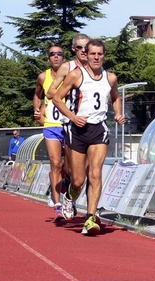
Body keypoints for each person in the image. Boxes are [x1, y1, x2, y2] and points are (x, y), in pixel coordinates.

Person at [52, 39, 126, 235]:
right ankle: (69, 195)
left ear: (104, 56)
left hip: (99, 129)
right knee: (78, 180)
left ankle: (90, 218)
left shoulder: (110, 78)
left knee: (95, 173)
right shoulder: (76, 75)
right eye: (92, 54)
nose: (96, 57)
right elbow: (57, 98)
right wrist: (73, 117)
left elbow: (116, 96)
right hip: (77, 130)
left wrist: (117, 113)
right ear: (86, 54)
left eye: (100, 54)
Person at [45, 33, 90, 215]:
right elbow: (50, 93)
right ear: (74, 49)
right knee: (61, 165)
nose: (84, 51)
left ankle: (85, 207)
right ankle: (60, 200)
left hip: (88, 124)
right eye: (80, 48)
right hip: (66, 123)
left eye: (87, 48)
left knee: (81, 171)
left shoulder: (95, 69)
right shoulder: (67, 67)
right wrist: (67, 93)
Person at [33, 45, 66, 218]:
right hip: (51, 125)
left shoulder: (71, 75)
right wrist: (37, 109)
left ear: (64, 58)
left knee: (70, 167)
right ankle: (57, 202)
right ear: (48, 58)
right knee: (55, 163)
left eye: (59, 54)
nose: (56, 56)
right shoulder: (43, 77)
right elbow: (37, 94)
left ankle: (64, 189)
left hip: (69, 125)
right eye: (52, 54)